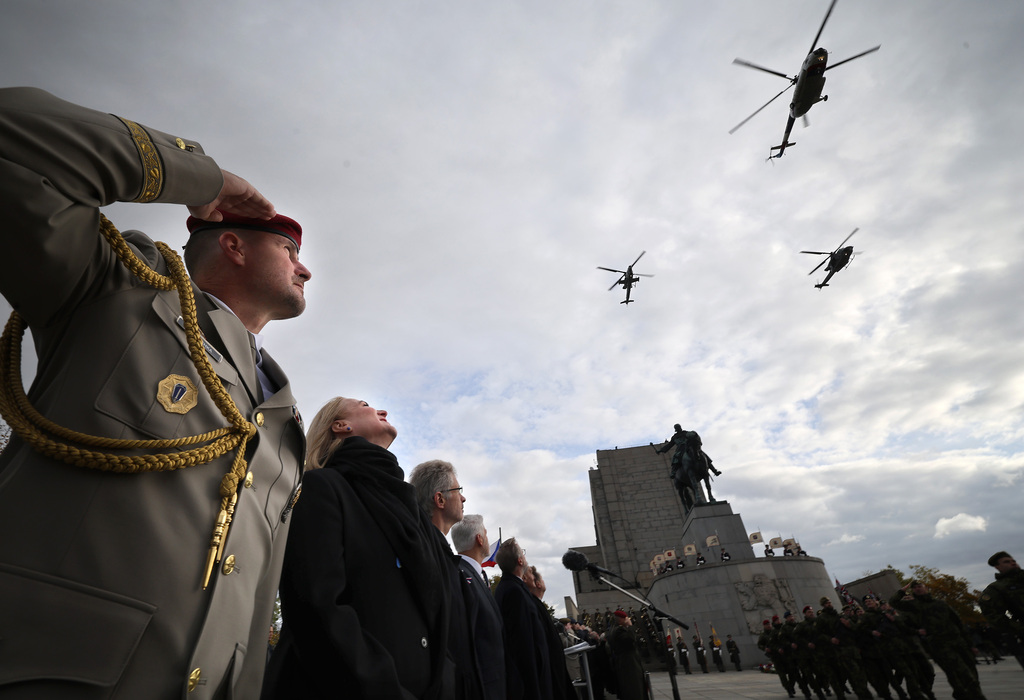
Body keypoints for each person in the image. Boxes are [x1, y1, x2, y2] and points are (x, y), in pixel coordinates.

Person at [0, 87, 311, 699]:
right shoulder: (118, 290)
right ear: (233, 244)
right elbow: (14, 133)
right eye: (288, 249)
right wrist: (201, 176)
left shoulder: (283, 418)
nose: (304, 268)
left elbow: (253, 597)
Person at [261, 398, 454, 699]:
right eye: (365, 404)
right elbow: (316, 608)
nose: (383, 410)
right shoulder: (321, 487)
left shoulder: (411, 511)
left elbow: (437, 614)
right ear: (341, 426)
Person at [409, 460, 483, 700]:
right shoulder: (426, 554)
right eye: (458, 491)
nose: (463, 498)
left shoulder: (440, 553)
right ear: (439, 500)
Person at [891, 580, 986, 700]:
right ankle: (974, 695)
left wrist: (970, 644)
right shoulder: (914, 605)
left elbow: (957, 622)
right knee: (959, 671)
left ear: (926, 588)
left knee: (970, 668)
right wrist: (902, 590)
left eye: (920, 586)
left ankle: (961, 692)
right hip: (939, 644)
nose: (918, 589)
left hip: (957, 641)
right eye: (915, 588)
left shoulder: (940, 603)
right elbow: (893, 602)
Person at [452, 514, 508, 700]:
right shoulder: (460, 576)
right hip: (482, 688)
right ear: (479, 539)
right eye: (485, 532)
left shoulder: (473, 575)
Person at [494, 538, 556, 700]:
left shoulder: (511, 588)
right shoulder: (514, 592)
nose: (524, 556)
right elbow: (523, 645)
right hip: (531, 683)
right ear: (520, 561)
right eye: (523, 553)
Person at [979, 551, 1024, 669]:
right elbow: (993, 616)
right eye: (1007, 562)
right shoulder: (996, 589)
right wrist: (1019, 628)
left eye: (1013, 561)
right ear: (997, 567)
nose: (1013, 563)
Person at [606, 611, 645, 700]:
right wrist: (630, 626)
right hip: (629, 664)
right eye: (626, 619)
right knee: (635, 690)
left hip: (625, 663)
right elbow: (630, 639)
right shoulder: (619, 630)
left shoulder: (613, 630)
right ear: (621, 620)